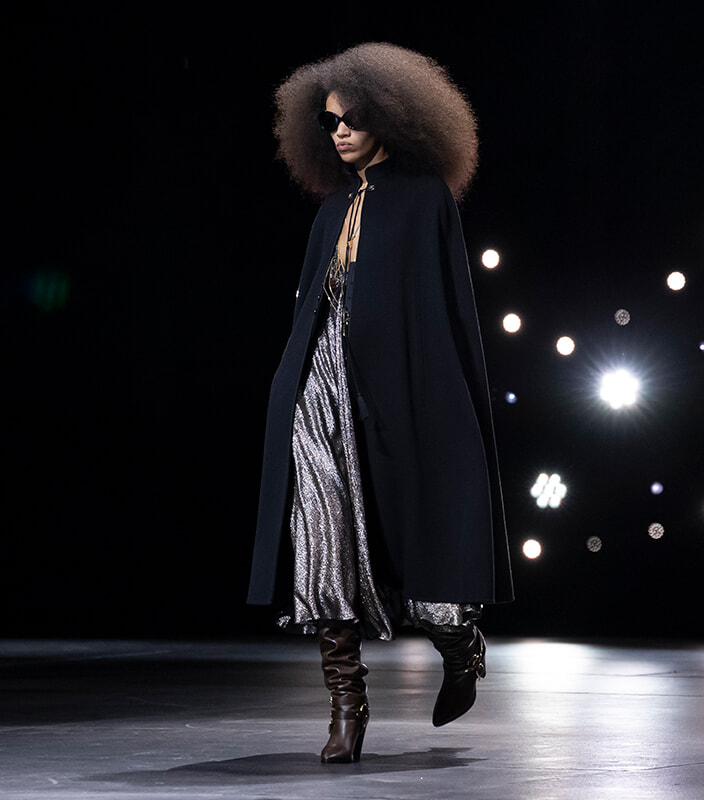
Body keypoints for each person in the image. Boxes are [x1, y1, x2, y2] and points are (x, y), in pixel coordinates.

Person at [247, 42, 513, 763]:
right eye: (330, 120)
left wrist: (443, 405)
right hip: (318, 387)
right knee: (320, 535)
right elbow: (311, 310)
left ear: (392, 117)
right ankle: (347, 704)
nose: (339, 131)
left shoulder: (425, 198)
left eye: (353, 118)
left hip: (397, 389)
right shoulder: (331, 208)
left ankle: (459, 644)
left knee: (425, 571)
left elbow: (445, 313)